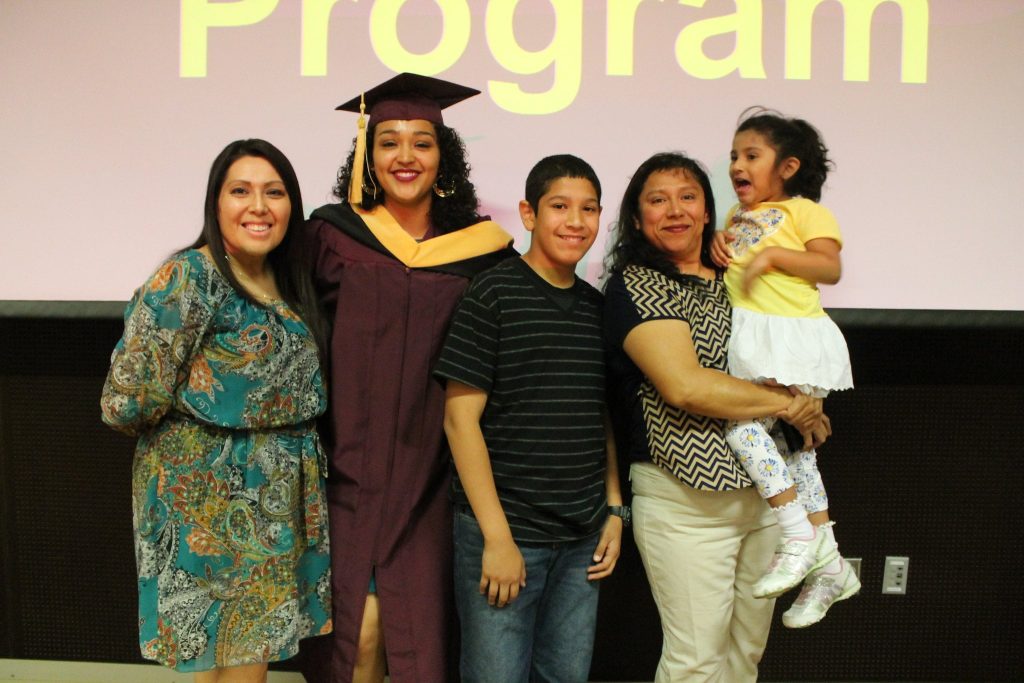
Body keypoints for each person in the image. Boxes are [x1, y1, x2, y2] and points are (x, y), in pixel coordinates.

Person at [298, 73, 516, 683]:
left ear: (444, 158)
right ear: (367, 156)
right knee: (357, 637)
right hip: (342, 472)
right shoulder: (331, 235)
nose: (405, 156)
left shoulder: (482, 253)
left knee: (416, 637)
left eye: (422, 142)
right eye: (388, 141)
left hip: (432, 481)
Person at [100, 139, 332, 682]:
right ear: (216, 202)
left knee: (250, 665)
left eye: (274, 193)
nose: (259, 206)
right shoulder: (189, 276)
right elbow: (125, 400)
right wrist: (197, 454)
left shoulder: (288, 279)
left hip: (275, 502)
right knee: (212, 665)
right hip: (205, 500)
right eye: (241, 191)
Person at [603, 152, 827, 682]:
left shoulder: (741, 273)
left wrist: (810, 400)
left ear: (708, 211)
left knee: (745, 656)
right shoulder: (638, 283)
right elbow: (686, 386)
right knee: (696, 663)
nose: (675, 210)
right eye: (657, 200)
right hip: (686, 505)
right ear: (637, 217)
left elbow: (790, 344)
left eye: (688, 197)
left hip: (766, 498)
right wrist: (785, 404)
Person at [436, 155, 624, 683]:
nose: (575, 221)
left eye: (589, 209)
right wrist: (497, 539)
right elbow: (459, 422)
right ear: (528, 214)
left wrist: (614, 509)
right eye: (559, 206)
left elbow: (601, 415)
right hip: (506, 534)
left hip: (583, 539)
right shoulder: (492, 293)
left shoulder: (596, 308)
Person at [708, 108, 860, 627]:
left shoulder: (805, 212)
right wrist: (720, 242)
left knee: (745, 430)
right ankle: (830, 564)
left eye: (751, 155)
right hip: (755, 338)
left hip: (791, 338)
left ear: (789, 167)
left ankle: (797, 536)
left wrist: (771, 258)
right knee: (793, 447)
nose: (737, 165)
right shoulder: (737, 215)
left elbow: (829, 266)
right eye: (734, 156)